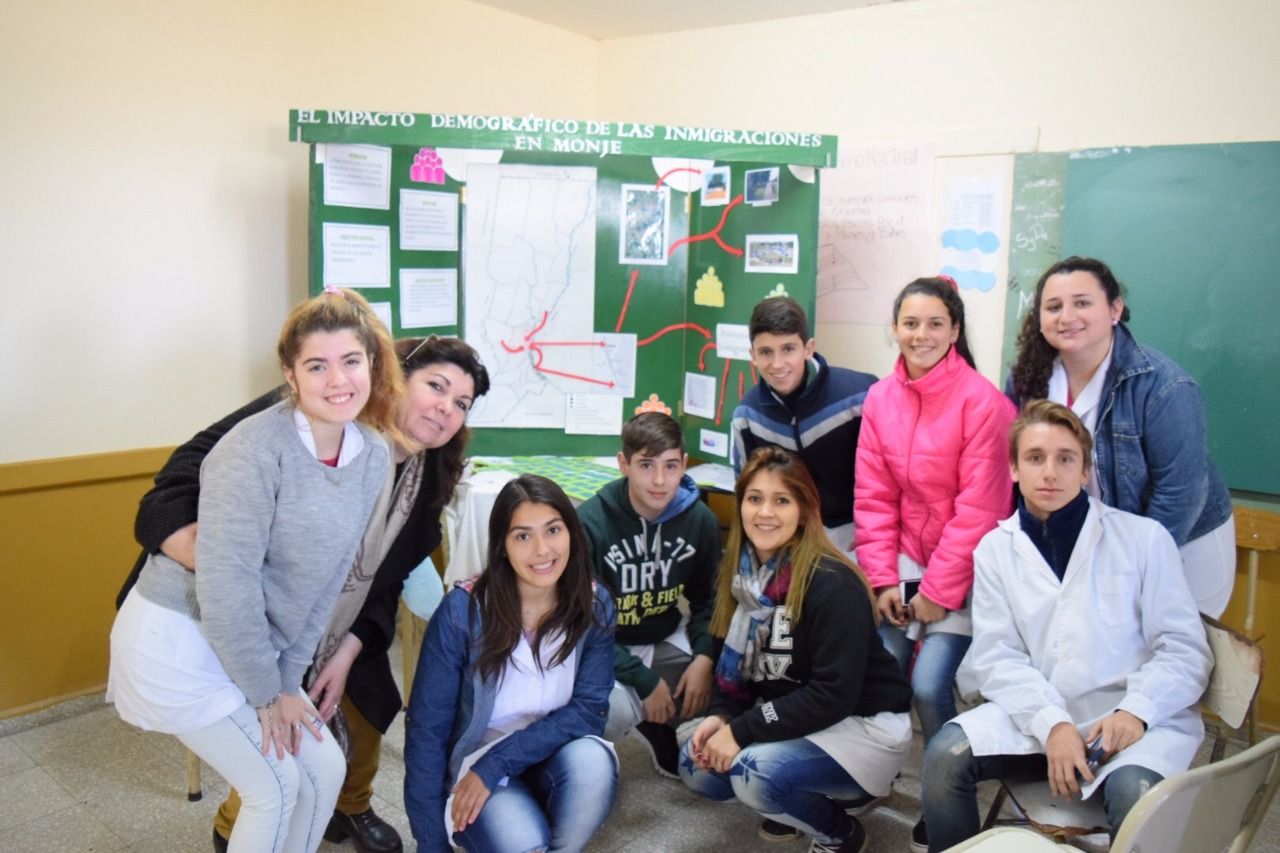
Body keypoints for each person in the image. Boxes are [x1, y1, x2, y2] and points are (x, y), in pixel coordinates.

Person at [116, 335, 490, 853]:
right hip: (223, 615)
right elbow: (172, 488)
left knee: (360, 708)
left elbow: (384, 585)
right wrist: (224, 563)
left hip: (331, 625)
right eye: (436, 387)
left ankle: (348, 807)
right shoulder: (311, 417)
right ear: (394, 378)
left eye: (461, 404)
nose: (445, 409)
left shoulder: (426, 479)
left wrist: (347, 648)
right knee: (273, 776)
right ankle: (236, 823)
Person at [109, 287, 400, 853]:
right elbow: (226, 585)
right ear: (291, 375)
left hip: (249, 644)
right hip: (180, 639)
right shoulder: (251, 450)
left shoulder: (371, 453)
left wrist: (287, 680)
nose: (337, 380)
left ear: (371, 365)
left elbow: (329, 577)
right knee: (275, 785)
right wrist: (269, 695)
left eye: (350, 361)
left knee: (324, 769)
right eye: (317, 365)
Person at [921, 400, 1212, 852]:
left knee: (1135, 796)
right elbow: (998, 656)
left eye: (1065, 459)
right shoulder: (995, 550)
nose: (1050, 472)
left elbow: (1185, 649)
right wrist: (1052, 723)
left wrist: (1136, 711)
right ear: (1014, 469)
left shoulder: (1143, 539)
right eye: (1035, 458)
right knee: (944, 756)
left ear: (1084, 471)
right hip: (1041, 711)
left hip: (1131, 719)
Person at [680, 447, 913, 853]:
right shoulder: (740, 575)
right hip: (795, 709)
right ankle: (809, 786)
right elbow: (729, 669)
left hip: (863, 724)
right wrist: (721, 714)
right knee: (694, 761)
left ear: (804, 511)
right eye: (755, 499)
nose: (765, 513)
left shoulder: (832, 582)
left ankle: (842, 832)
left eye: (781, 500)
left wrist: (744, 730)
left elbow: (832, 694)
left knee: (755, 774)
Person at [853, 276, 1016, 850]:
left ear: (955, 331)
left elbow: (980, 512)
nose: (920, 335)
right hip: (904, 562)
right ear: (895, 328)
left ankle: (947, 798)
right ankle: (870, 776)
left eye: (934, 324)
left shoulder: (985, 403)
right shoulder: (880, 398)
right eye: (910, 323)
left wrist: (939, 592)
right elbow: (874, 499)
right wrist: (883, 580)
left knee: (927, 685)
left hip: (967, 574)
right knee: (880, 666)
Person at [1008, 256, 1235, 616]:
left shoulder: (1165, 387)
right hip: (1087, 543)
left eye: (1082, 303)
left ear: (1115, 309)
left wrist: (1131, 567)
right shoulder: (1027, 380)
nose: (1066, 317)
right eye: (1053, 307)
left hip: (1180, 542)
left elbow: (1180, 494)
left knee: (1173, 656)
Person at [403, 475, 618, 853]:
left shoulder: (594, 602)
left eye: (553, 530)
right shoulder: (463, 612)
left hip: (551, 750)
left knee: (594, 763)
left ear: (572, 532)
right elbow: (426, 730)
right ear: (501, 546)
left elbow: (589, 711)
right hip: (478, 758)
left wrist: (499, 763)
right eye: (522, 536)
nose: (542, 550)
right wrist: (430, 843)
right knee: (524, 843)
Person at [577, 411, 722, 777]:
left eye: (671, 466)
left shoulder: (699, 520)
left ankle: (662, 724)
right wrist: (644, 681)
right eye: (646, 465)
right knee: (606, 712)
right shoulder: (590, 523)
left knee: (726, 681)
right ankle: (588, 759)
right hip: (603, 646)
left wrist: (704, 658)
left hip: (661, 635)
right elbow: (581, 625)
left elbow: (709, 599)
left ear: (685, 464)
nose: (660, 480)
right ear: (623, 464)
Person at [730, 295, 877, 550]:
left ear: (808, 349)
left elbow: (886, 478)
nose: (777, 364)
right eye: (766, 352)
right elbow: (747, 491)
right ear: (752, 355)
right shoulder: (747, 418)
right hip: (789, 543)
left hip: (856, 539)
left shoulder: (862, 395)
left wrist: (871, 537)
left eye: (788, 349)